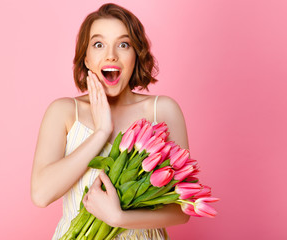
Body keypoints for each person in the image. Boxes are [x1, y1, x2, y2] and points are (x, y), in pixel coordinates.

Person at [31, 3, 190, 239]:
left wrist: (119, 218)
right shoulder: (64, 111)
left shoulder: (162, 110)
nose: (111, 54)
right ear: (85, 58)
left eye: (123, 44)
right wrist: (101, 132)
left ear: (136, 55)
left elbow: (182, 209)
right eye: (98, 44)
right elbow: (41, 194)